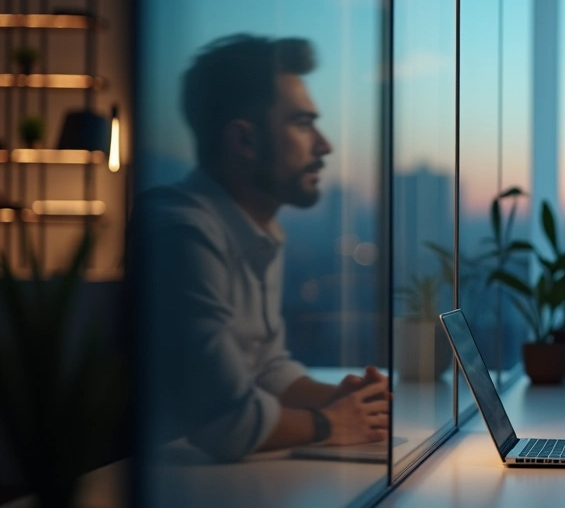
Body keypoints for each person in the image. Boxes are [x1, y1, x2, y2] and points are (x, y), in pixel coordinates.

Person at [136, 34, 388, 462]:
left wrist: (345, 402)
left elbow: (266, 369)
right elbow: (228, 420)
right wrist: (331, 423)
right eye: (302, 124)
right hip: (175, 483)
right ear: (244, 141)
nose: (324, 145)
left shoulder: (257, 231)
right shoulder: (182, 234)